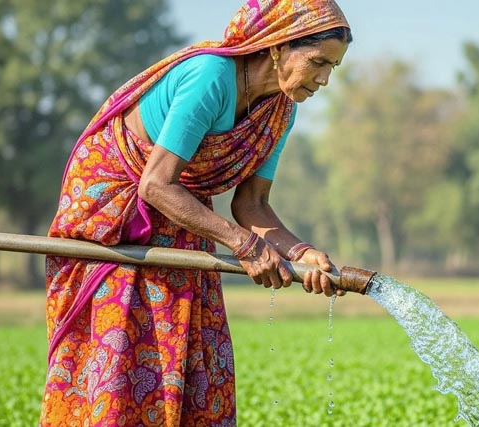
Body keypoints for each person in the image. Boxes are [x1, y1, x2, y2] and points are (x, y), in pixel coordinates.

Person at [41, 1, 351, 425]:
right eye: (318, 62)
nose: (324, 79)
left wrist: (300, 251)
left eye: (332, 67)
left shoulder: (281, 110)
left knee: (193, 349)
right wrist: (244, 245)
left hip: (180, 207)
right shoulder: (211, 76)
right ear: (279, 46)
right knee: (120, 352)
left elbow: (251, 204)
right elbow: (155, 184)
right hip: (114, 211)